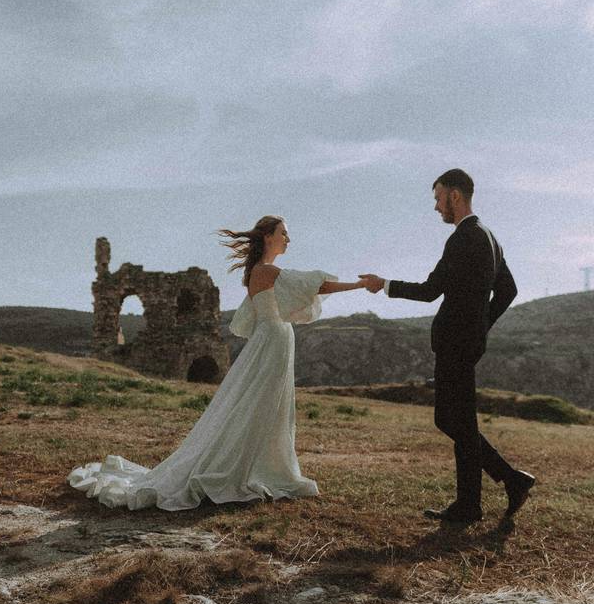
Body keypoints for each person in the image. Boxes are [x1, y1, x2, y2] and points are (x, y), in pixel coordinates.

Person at [67, 216, 368, 511]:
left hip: (276, 338)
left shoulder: (263, 271)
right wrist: (360, 285)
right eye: (284, 233)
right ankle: (246, 469)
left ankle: (265, 466)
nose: (288, 239)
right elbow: (318, 286)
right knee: (260, 403)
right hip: (273, 340)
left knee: (270, 405)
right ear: (268, 237)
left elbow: (303, 291)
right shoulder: (265, 271)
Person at [360, 169, 535, 524]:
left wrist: (385, 284)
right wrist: (482, 325)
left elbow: (429, 291)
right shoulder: (490, 238)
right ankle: (475, 500)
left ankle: (504, 484)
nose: (436, 207)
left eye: (438, 198)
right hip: (469, 342)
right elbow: (509, 291)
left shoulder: (462, 238)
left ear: (455, 196)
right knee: (460, 421)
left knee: (450, 419)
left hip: (456, 343)